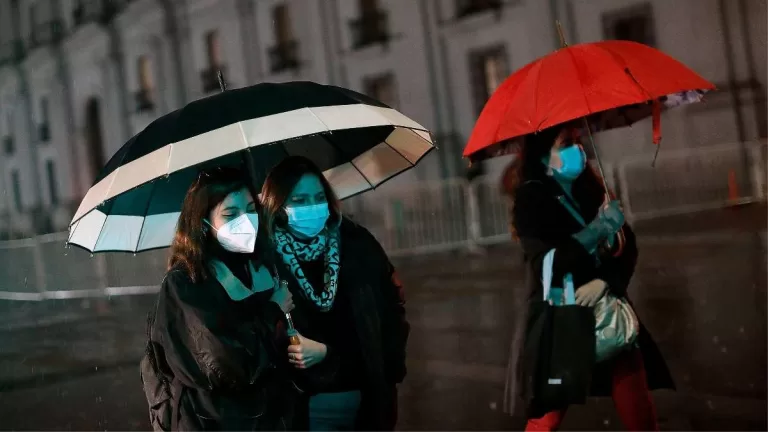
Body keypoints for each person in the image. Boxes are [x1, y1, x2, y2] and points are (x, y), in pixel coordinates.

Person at [499, 125, 674, 431]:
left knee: (639, 410)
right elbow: (548, 265)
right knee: (547, 417)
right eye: (566, 143)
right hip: (564, 318)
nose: (577, 151)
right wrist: (597, 230)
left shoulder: (591, 188)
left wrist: (607, 281)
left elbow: (627, 248)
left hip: (609, 314)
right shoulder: (532, 199)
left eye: (578, 142)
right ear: (544, 153)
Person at [260, 156, 410, 431]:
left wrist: (389, 370)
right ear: (278, 206)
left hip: (367, 399)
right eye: (299, 200)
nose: (312, 207)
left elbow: (391, 309)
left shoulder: (357, 242)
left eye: (319, 197)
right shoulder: (265, 261)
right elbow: (255, 340)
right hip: (304, 409)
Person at [149, 167, 299, 431]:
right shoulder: (186, 282)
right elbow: (226, 364)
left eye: (251, 209)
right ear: (202, 222)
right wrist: (273, 309)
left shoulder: (262, 266)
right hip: (215, 422)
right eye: (230, 214)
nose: (246, 221)